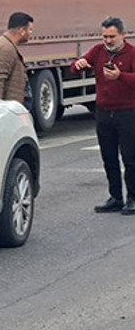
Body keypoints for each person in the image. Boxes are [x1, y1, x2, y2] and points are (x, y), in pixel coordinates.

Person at [72, 17, 135, 214]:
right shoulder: (98, 51)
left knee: (130, 158)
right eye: (105, 36)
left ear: (123, 35)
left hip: (127, 111)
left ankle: (132, 198)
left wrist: (120, 76)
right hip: (104, 112)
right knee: (108, 157)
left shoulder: (132, 53)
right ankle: (115, 197)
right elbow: (74, 67)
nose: (108, 40)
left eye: (112, 37)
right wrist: (79, 64)